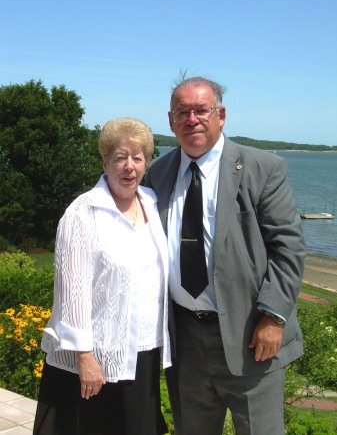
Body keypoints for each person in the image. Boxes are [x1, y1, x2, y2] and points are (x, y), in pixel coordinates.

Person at [145, 76, 306, 435]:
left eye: (201, 110)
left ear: (221, 115)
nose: (192, 120)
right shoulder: (158, 173)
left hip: (250, 335)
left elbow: (288, 247)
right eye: (182, 112)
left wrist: (273, 317)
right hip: (184, 339)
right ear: (170, 120)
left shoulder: (262, 168)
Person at [33, 117, 171, 435]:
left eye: (137, 158)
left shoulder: (151, 203)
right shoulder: (83, 214)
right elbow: (73, 290)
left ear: (146, 163)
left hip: (142, 352)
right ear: (105, 161)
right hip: (95, 359)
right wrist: (85, 357)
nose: (129, 167)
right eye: (120, 158)